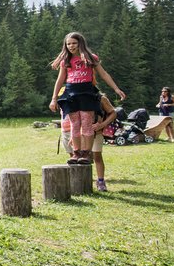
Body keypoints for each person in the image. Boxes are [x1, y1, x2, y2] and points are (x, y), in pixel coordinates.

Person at [48, 32, 125, 166]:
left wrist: (116, 89)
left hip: (87, 93)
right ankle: (76, 152)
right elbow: (60, 80)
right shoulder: (66, 61)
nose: (71, 46)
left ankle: (86, 153)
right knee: (75, 125)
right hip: (71, 93)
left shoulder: (90, 58)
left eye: (74, 43)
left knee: (86, 124)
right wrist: (54, 98)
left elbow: (104, 74)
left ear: (80, 44)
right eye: (68, 44)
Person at [61, 92, 117, 191]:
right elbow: (75, 120)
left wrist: (102, 124)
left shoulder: (100, 98)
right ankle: (79, 182)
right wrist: (73, 137)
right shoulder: (77, 97)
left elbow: (113, 113)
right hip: (81, 135)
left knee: (97, 157)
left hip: (97, 133)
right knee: (79, 158)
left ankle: (100, 181)